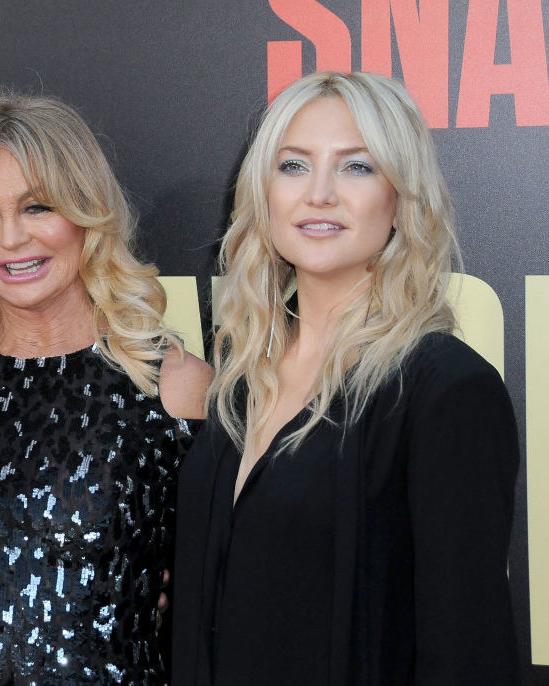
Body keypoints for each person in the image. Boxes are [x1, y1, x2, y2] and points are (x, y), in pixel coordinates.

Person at [171, 71, 519, 685]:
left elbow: (469, 653)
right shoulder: (239, 384)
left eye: (357, 167)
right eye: (294, 166)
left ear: (401, 198)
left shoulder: (446, 391)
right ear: (264, 193)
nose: (320, 194)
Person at [0, 95, 212, 683]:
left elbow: (218, 604)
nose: (10, 239)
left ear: (87, 212)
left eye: (37, 207)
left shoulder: (170, 389)